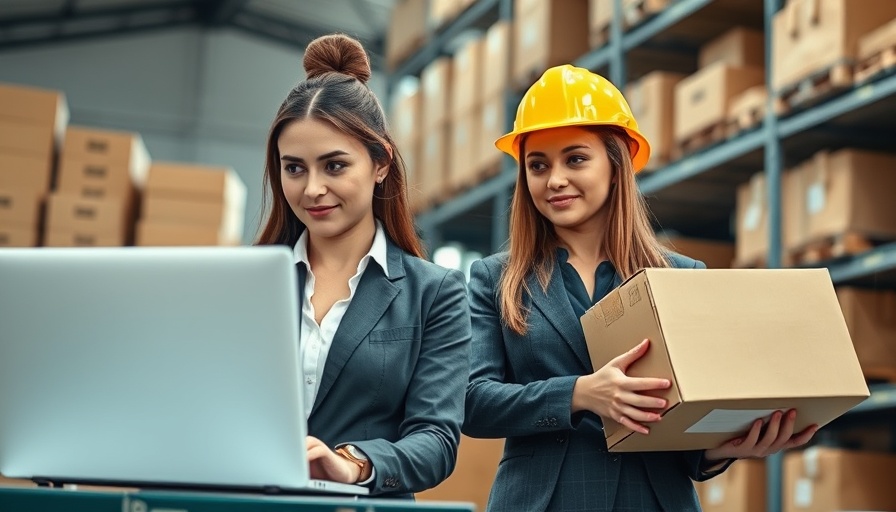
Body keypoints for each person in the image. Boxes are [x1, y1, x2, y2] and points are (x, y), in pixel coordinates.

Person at [462, 64, 818, 512]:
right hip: (544, 501)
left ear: (618, 165)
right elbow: (472, 402)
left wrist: (725, 449)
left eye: (575, 159)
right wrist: (579, 393)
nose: (554, 179)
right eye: (538, 165)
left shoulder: (682, 277)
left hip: (651, 499)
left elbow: (687, 420)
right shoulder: (497, 279)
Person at [255, 34, 471, 498]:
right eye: (294, 168)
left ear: (380, 164)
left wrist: (352, 464)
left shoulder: (434, 293)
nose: (312, 189)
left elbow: (436, 439)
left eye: (334, 166)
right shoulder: (244, 284)